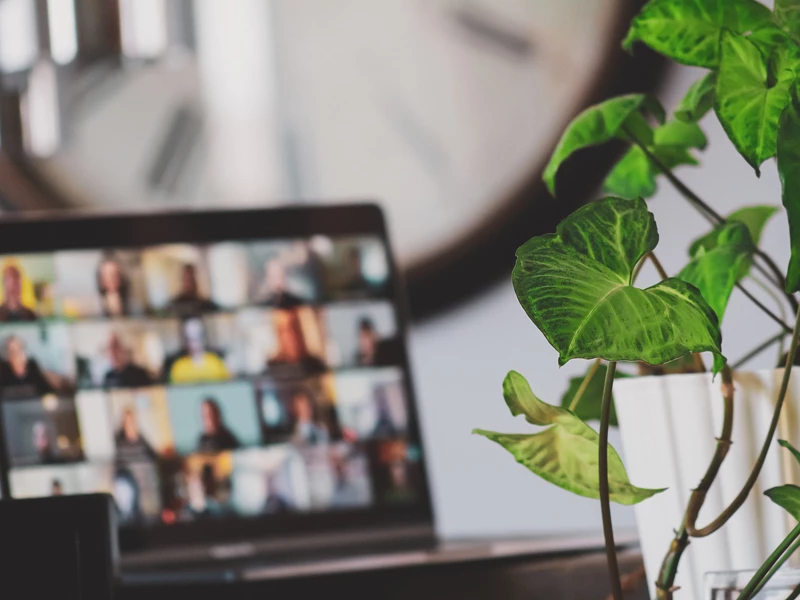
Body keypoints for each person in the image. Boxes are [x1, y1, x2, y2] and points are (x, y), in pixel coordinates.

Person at [266, 310, 326, 377]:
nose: (291, 335)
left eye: (294, 327)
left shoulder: (316, 365)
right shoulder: (271, 369)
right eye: (284, 330)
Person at [168, 317, 230, 383]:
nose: (194, 343)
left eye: (197, 336)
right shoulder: (178, 367)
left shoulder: (217, 363)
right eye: (190, 338)